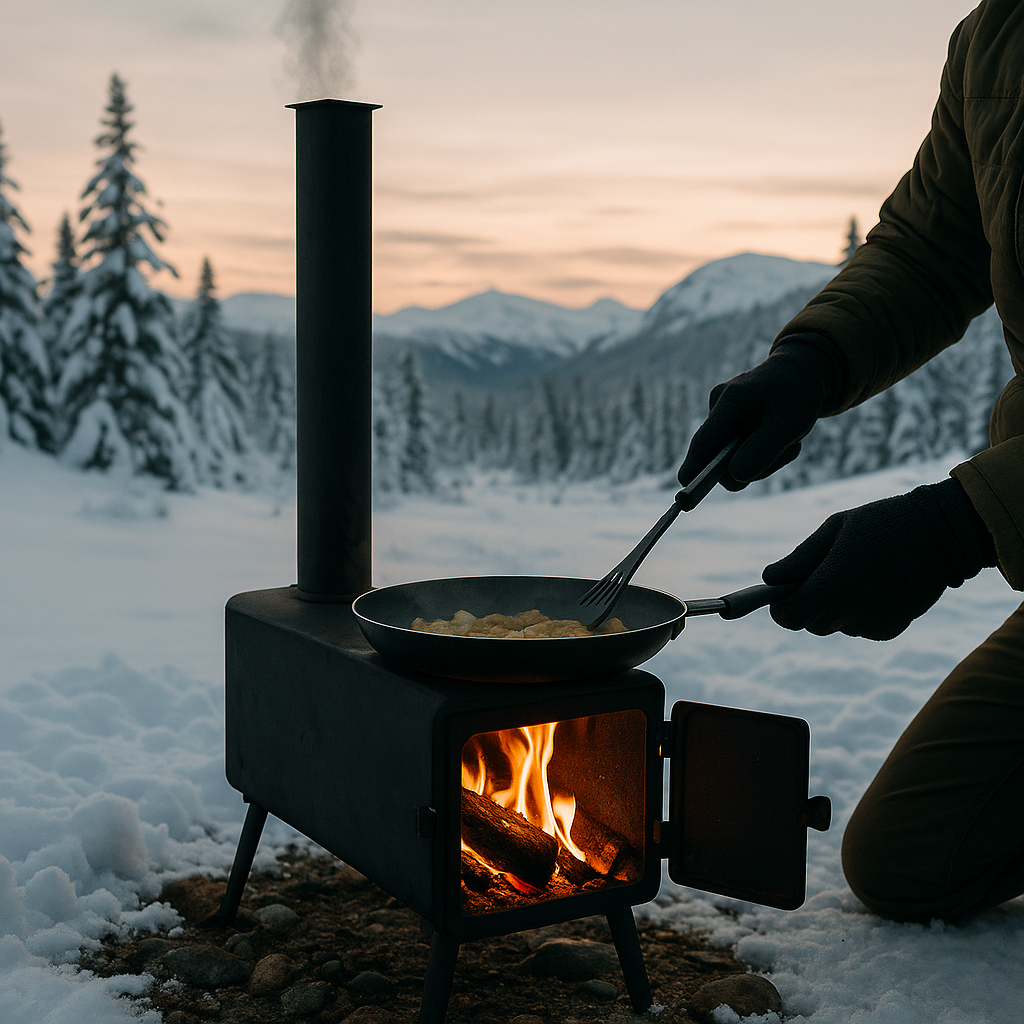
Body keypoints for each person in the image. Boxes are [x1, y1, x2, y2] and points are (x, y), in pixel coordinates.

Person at [677, 0, 1024, 923]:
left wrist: (959, 523)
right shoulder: (998, 34)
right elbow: (933, 241)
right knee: (916, 856)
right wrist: (808, 364)